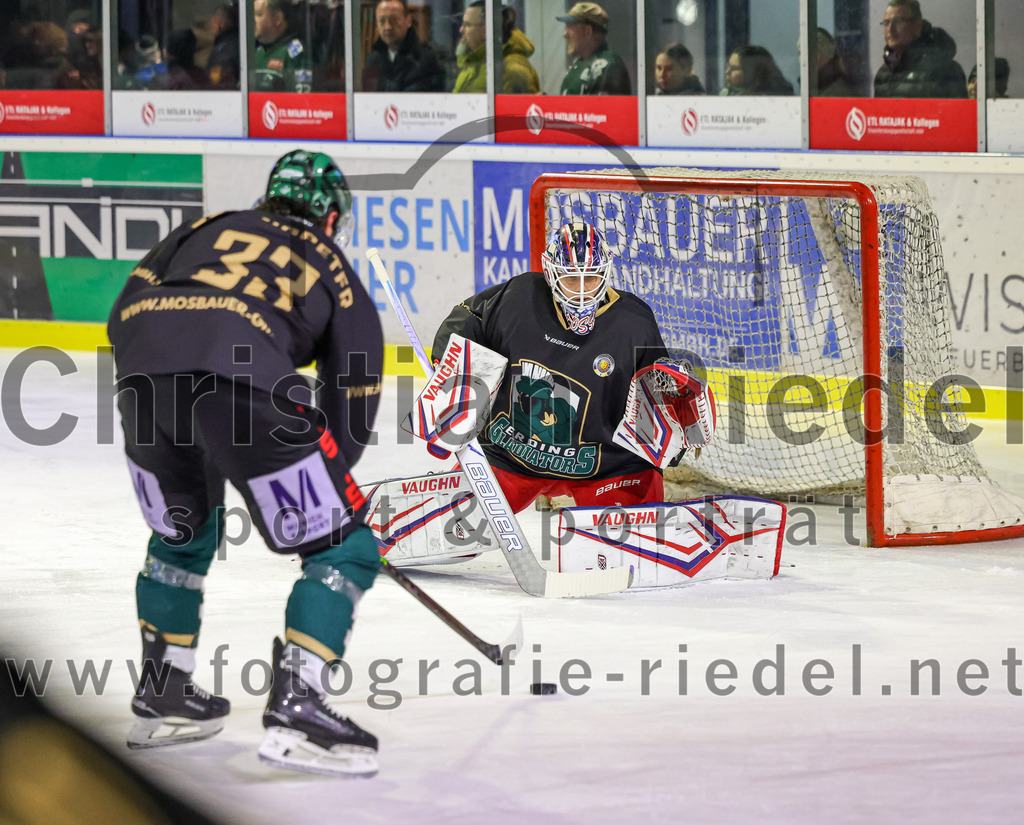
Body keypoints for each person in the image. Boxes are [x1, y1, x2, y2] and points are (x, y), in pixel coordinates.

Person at [107, 150, 385, 778]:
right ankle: (300, 702)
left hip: (142, 375)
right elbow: (358, 376)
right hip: (243, 384)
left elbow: (125, 305)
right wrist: (335, 476)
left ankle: (164, 689)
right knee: (346, 549)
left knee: (182, 529)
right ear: (331, 215)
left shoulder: (204, 228)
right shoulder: (329, 260)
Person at [427, 222, 711, 514]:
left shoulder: (634, 323)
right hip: (510, 456)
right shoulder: (519, 297)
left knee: (635, 551)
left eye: (591, 278)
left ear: (606, 274)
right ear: (551, 273)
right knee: (451, 530)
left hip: (607, 467)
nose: (582, 291)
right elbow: (470, 319)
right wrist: (451, 368)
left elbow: (656, 398)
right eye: (571, 279)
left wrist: (674, 428)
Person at [873, 0, 966, 98]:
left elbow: (957, 112)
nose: (890, 29)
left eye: (899, 21)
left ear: (917, 26)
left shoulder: (944, 70)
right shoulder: (883, 73)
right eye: (886, 23)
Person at [362, 0, 446, 92]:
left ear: (408, 21)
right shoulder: (373, 61)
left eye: (394, 20)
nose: (387, 27)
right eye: (382, 21)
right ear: (377, 26)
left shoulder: (428, 60)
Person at [557, 2, 631, 95]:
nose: (565, 34)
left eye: (570, 26)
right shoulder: (577, 64)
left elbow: (602, 108)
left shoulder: (609, 66)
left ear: (587, 31)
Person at [252, 0, 312, 93]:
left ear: (277, 18)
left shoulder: (294, 51)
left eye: (259, 14)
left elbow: (300, 97)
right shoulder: (257, 52)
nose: (253, 20)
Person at [720, 45, 793, 95]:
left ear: (751, 72)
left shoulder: (777, 99)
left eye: (734, 68)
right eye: (728, 67)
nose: (727, 72)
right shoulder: (727, 95)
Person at [452, 0, 486, 93]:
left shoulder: (507, 70)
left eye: (467, 25)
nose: (461, 30)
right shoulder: (467, 66)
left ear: (485, 30)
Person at [206, 2, 240, 88]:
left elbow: (217, 82)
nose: (212, 21)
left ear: (225, 22)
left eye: (217, 17)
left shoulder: (225, 49)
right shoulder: (236, 41)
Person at [815, 27, 856, 96]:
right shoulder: (815, 87)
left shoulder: (838, 92)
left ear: (818, 55)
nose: (800, 60)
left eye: (801, 53)